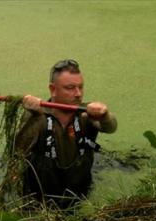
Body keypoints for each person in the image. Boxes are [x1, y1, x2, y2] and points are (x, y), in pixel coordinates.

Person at [14, 59, 117, 209]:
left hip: (80, 196)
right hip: (38, 200)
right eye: (70, 88)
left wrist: (105, 115)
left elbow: (111, 127)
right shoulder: (36, 115)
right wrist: (35, 116)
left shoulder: (86, 115)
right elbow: (18, 149)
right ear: (53, 89)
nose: (78, 94)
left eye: (80, 87)